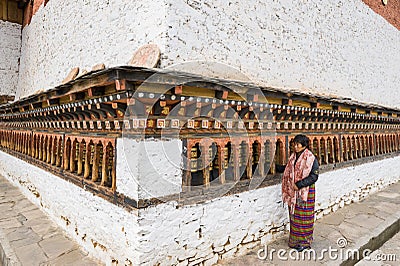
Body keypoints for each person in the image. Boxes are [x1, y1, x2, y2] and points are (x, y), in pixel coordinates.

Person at [277, 134, 319, 252]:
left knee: (304, 217)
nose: (295, 146)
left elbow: (314, 176)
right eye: (294, 144)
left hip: (305, 192)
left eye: (297, 144)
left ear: (304, 145)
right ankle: (294, 240)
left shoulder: (310, 158)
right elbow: (288, 169)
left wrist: (299, 184)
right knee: (294, 216)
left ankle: (305, 242)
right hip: (293, 193)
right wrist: (273, 167)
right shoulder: (293, 157)